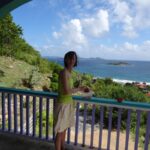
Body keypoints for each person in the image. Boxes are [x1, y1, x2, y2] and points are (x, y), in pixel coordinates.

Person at [54, 51, 86, 150]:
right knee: (60, 131)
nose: (72, 60)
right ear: (66, 59)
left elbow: (69, 90)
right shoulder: (64, 72)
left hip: (68, 104)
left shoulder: (69, 73)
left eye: (74, 58)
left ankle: (63, 147)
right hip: (63, 105)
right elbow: (67, 91)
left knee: (64, 129)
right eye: (70, 58)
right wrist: (79, 89)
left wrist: (78, 89)